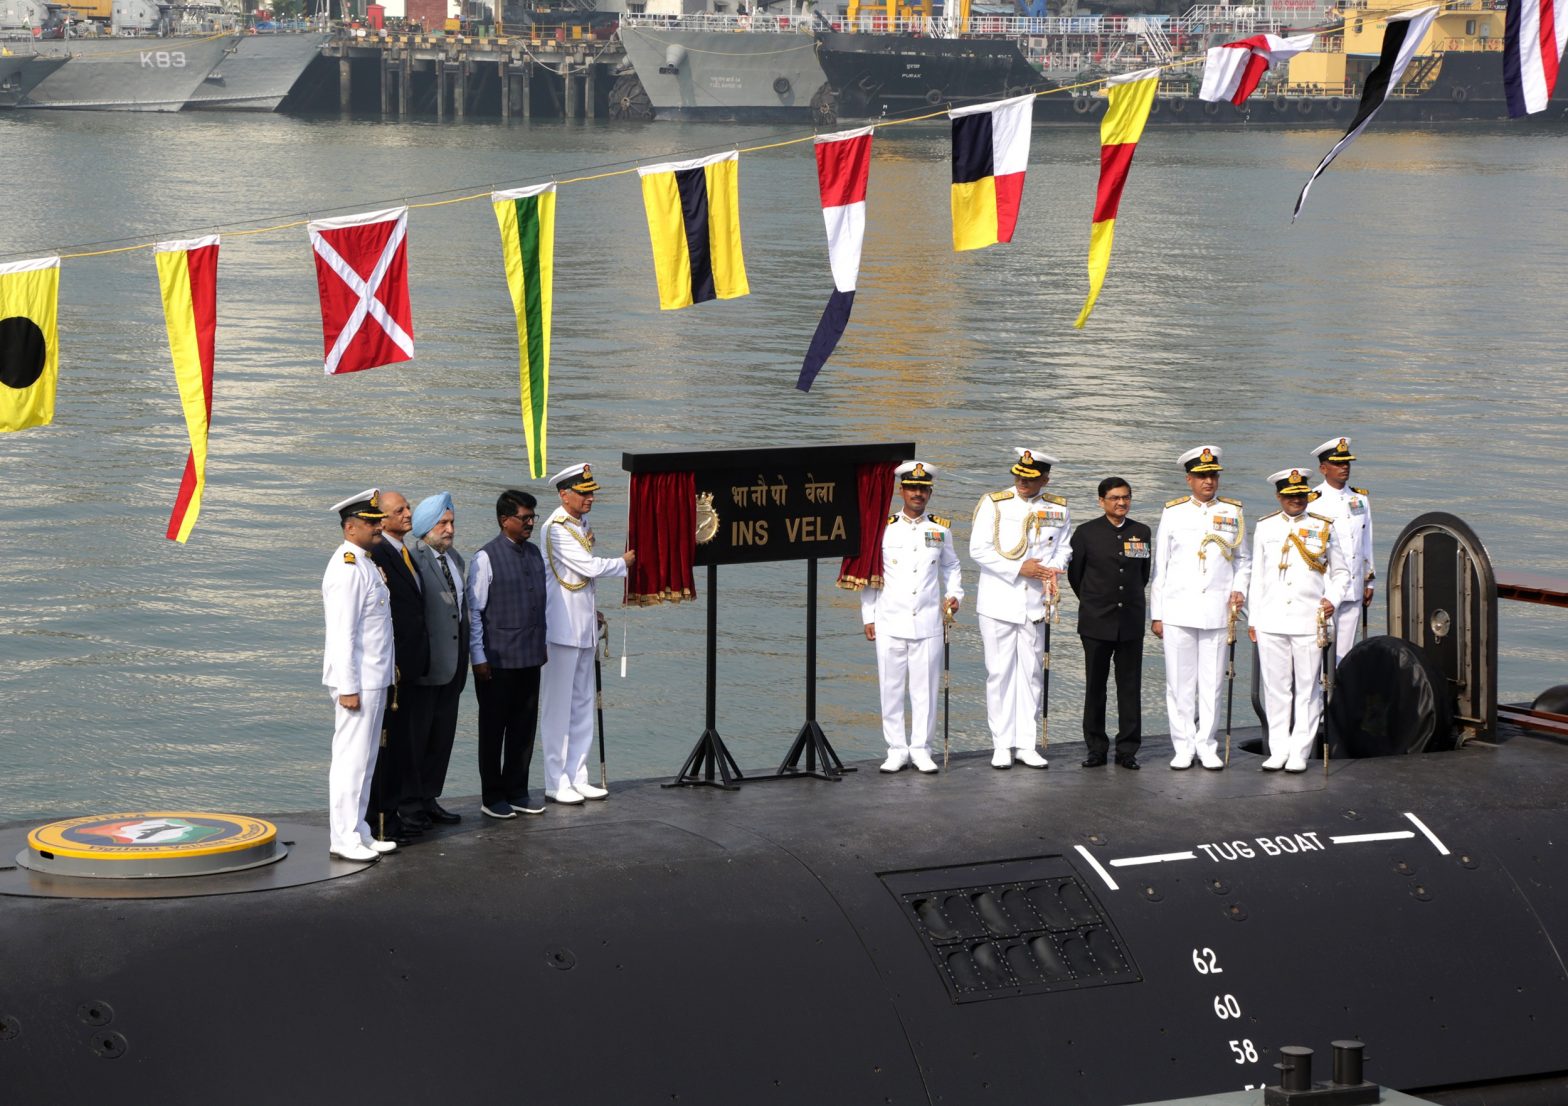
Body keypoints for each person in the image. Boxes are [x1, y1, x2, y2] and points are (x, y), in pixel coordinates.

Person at [1150, 446, 1252, 771]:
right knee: (1179, 684)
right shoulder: (1173, 512)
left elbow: (1243, 560)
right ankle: (1182, 746)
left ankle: (1207, 744)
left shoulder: (1232, 511)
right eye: (1202, 476)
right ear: (1189, 479)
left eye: (1213, 476)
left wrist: (1239, 590)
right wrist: (1157, 614)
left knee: (1212, 684)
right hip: (1178, 609)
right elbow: (1161, 566)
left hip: (1217, 610)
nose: (1208, 481)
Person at [969, 447, 1071, 770]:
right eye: (1019, 476)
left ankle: (1026, 743)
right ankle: (1001, 744)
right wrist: (1018, 569)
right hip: (999, 600)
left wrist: (1051, 570)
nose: (1022, 482)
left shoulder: (1058, 508)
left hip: (1036, 601)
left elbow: (1064, 548)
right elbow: (978, 550)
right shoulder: (995, 503)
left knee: (1031, 673)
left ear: (1045, 479)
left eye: (1030, 478)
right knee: (999, 673)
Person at [539, 465, 635, 804]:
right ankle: (555, 781)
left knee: (582, 704)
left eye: (591, 491)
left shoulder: (580, 523)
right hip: (561, 628)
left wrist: (592, 612)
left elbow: (580, 581)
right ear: (564, 495)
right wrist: (623, 562)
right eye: (584, 492)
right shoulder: (556, 528)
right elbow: (588, 567)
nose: (590, 497)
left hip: (582, 627)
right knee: (558, 707)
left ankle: (578, 775)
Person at [1247, 468, 1353, 772]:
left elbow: (1341, 573)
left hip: (1309, 621)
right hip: (1272, 620)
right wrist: (1254, 619)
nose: (1296, 500)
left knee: (1307, 689)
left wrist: (1332, 599)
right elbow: (1258, 577)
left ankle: (1300, 751)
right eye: (1290, 496)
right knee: (1276, 689)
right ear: (1279, 496)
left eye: (1301, 495)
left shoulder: (1323, 526)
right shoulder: (1265, 526)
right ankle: (1278, 749)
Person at [861, 461, 963, 774]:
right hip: (890, 619)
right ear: (901, 491)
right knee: (890, 689)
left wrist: (955, 594)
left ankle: (921, 749)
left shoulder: (940, 529)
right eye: (912, 488)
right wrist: (868, 615)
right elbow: (871, 573)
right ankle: (896, 749)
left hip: (929, 620)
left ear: (930, 493)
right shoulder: (884, 527)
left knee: (926, 691)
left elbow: (951, 566)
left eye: (923, 489)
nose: (918, 494)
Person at [321, 489, 396, 862]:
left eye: (378, 521)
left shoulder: (365, 562)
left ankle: (359, 829)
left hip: (374, 677)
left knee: (365, 761)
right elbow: (342, 634)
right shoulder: (347, 567)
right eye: (371, 522)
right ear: (350, 527)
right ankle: (343, 836)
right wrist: (348, 687)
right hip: (358, 682)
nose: (379, 527)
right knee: (350, 761)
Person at [468, 490, 549, 819]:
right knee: (493, 729)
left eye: (532, 517)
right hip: (497, 660)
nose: (530, 523)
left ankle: (517, 791)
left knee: (523, 728)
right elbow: (475, 612)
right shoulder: (485, 558)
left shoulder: (535, 553)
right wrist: (478, 656)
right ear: (505, 520)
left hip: (530, 656)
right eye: (524, 518)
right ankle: (492, 796)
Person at [1068, 477, 1151, 770]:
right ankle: (1096, 748)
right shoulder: (1085, 533)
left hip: (1130, 621)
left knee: (1129, 687)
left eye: (1126, 497)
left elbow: (1143, 575)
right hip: (1096, 622)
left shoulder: (1141, 531)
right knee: (1095, 687)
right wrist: (1095, 602)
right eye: (1115, 498)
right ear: (1101, 501)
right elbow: (1076, 576)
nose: (1121, 503)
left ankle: (1128, 750)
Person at [368, 490, 430, 841]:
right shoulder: (378, 554)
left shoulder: (405, 553)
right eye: (400, 510)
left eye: (408, 508)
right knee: (386, 749)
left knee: (403, 745)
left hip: (410, 667)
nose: (408, 514)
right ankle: (383, 822)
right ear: (382, 519)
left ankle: (398, 814)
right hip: (392, 668)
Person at [407, 492, 466, 825]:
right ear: (426, 526)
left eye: (452, 522)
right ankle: (410, 804)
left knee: (441, 738)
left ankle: (430, 798)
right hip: (427, 667)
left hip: (453, 667)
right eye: (442, 523)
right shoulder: (413, 559)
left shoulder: (455, 559)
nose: (449, 529)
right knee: (417, 739)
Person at [1310, 436, 1375, 660]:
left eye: (1346, 462)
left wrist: (1369, 580)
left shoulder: (1359, 498)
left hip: (1354, 585)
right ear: (1323, 468)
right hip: (1325, 586)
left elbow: (1366, 540)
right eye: (1338, 463)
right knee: (1320, 650)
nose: (1344, 467)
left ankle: (1341, 683)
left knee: (1345, 655)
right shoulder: (1313, 501)